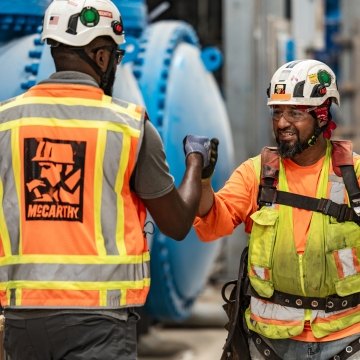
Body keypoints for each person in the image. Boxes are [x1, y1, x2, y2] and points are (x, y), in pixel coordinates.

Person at [0, 0, 218, 359]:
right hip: (99, 324)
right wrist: (195, 162)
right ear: (101, 57)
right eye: (115, 57)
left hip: (23, 320)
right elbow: (177, 224)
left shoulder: (8, 122)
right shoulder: (129, 127)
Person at [194, 59, 360, 360]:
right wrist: (203, 181)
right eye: (277, 112)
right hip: (269, 342)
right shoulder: (255, 174)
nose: (282, 123)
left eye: (295, 113)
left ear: (322, 116)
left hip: (348, 339)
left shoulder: (354, 177)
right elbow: (210, 226)